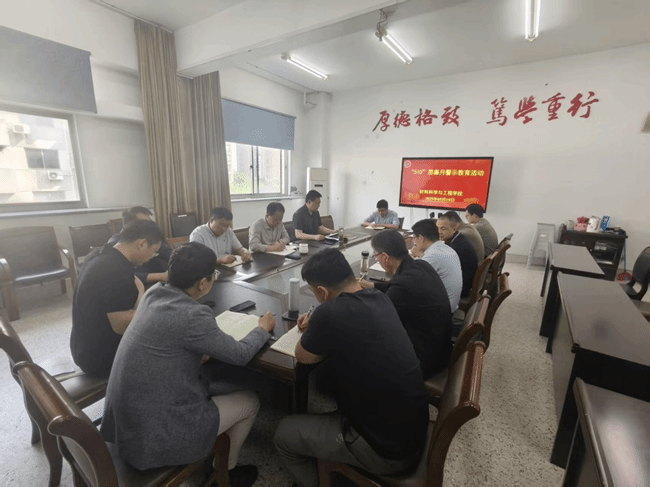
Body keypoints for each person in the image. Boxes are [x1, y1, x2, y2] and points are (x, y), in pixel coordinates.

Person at [100, 242, 273, 486]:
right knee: (250, 401)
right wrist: (262, 328)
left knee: (213, 379)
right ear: (203, 283)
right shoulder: (193, 315)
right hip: (152, 437)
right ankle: (226, 473)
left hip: (124, 424)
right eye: (213, 276)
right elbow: (241, 354)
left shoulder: (154, 293)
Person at [274, 249, 429, 487]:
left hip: (386, 451)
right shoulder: (379, 297)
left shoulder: (329, 312)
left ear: (322, 291)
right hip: (412, 429)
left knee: (284, 434)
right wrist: (320, 323)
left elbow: (302, 356)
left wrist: (317, 325)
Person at [70, 219, 164, 378]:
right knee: (169, 340)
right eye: (154, 251)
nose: (152, 257)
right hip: (100, 360)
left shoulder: (96, 256)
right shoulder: (115, 271)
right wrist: (142, 294)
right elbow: (123, 326)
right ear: (141, 244)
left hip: (82, 348)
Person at [359, 230, 452, 377]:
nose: (376, 259)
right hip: (441, 349)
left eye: (376, 256)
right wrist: (372, 285)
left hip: (423, 361)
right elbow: (395, 286)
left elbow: (375, 321)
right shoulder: (421, 265)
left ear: (385, 257)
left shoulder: (402, 287)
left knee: (360, 344)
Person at [107, 206, 172, 284]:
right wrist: (161, 276)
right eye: (145, 223)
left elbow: (169, 253)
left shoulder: (150, 237)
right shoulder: (116, 245)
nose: (151, 227)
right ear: (132, 225)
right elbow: (122, 275)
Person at [410, 219, 463, 313]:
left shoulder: (433, 255)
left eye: (414, 237)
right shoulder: (444, 248)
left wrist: (410, 258)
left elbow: (411, 278)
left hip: (441, 312)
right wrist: (420, 256)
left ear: (421, 238)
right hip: (449, 304)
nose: (413, 241)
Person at [437, 212, 479, 298]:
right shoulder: (458, 239)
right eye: (438, 228)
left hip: (460, 289)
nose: (439, 232)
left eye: (443, 229)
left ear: (454, 229)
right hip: (464, 283)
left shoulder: (456, 247)